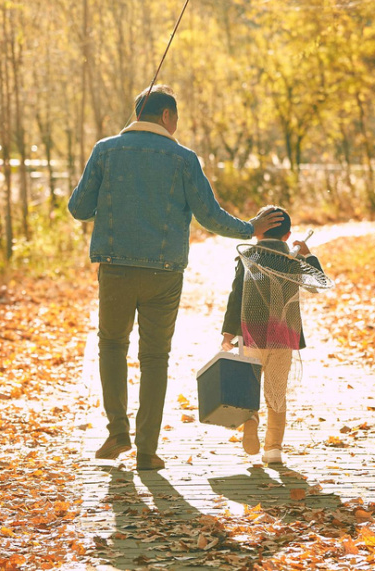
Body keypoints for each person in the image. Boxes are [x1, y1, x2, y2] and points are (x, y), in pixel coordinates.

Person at [68, 85, 283, 471]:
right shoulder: (184, 158)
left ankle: (118, 430)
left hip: (116, 268)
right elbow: (209, 215)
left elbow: (79, 209)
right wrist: (250, 228)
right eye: (176, 119)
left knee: (112, 346)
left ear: (137, 114)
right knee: (154, 357)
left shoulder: (105, 150)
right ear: (167, 117)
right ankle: (147, 451)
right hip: (164, 274)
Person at [220, 205, 324, 465]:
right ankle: (273, 450)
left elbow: (236, 298)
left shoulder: (248, 258)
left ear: (257, 232)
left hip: (251, 332)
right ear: (287, 236)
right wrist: (308, 256)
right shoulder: (292, 260)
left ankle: (251, 418)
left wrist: (227, 334)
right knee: (276, 394)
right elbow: (317, 284)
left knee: (249, 387)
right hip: (283, 336)